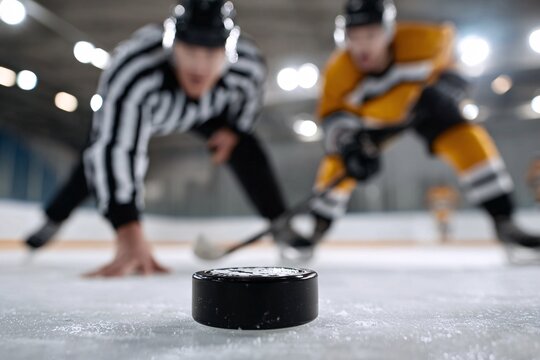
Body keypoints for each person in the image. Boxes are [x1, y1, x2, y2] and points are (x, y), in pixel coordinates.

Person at [25, 0, 298, 276]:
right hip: (147, 111)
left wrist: (235, 130)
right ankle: (53, 219)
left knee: (247, 148)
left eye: (212, 52)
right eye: (190, 49)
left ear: (229, 52)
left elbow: (251, 100)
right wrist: (128, 229)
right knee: (93, 162)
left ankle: (281, 225)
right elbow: (116, 148)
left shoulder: (249, 64)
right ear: (172, 44)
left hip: (207, 112)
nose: (199, 65)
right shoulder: (134, 68)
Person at [281, 0, 540, 259]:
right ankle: (315, 231)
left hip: (423, 109)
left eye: (370, 35)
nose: (362, 46)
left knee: (468, 141)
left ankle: (504, 222)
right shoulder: (338, 71)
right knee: (338, 165)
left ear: (388, 31)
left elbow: (454, 64)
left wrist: (447, 87)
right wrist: (349, 146)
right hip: (372, 123)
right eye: (354, 37)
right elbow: (333, 117)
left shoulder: (424, 40)